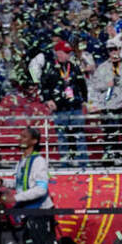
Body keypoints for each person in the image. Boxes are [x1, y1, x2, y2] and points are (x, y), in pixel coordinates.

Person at [0, 127, 56, 244]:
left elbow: (41, 189)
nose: (20, 139)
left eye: (24, 137)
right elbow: (20, 184)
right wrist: (3, 182)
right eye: (20, 136)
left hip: (40, 211)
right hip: (28, 212)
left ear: (34, 141)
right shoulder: (22, 161)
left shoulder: (39, 161)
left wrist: (15, 198)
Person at [39, 39, 89, 167]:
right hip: (60, 109)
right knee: (63, 137)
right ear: (57, 52)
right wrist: (48, 99)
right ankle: (65, 164)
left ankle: (83, 163)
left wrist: (84, 100)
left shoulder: (73, 66)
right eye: (63, 52)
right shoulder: (50, 68)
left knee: (79, 136)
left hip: (75, 106)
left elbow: (82, 85)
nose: (66, 55)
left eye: (68, 53)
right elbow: (43, 87)